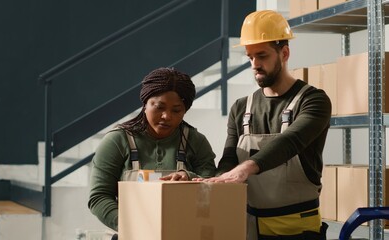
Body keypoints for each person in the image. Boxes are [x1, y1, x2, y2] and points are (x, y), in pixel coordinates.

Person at [199, 10, 332, 240]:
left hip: (298, 229)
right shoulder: (241, 108)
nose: (254, 64)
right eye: (250, 57)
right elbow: (230, 159)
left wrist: (246, 168)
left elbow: (290, 141)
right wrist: (216, 181)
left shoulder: (314, 101)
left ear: (285, 53)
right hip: (250, 227)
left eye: (262, 55)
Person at [88, 67, 217, 237]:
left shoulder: (196, 142)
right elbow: (99, 197)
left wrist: (190, 177)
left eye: (176, 110)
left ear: (185, 110)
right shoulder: (117, 140)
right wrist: (133, 226)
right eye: (159, 107)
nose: (166, 116)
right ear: (145, 103)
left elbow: (212, 188)